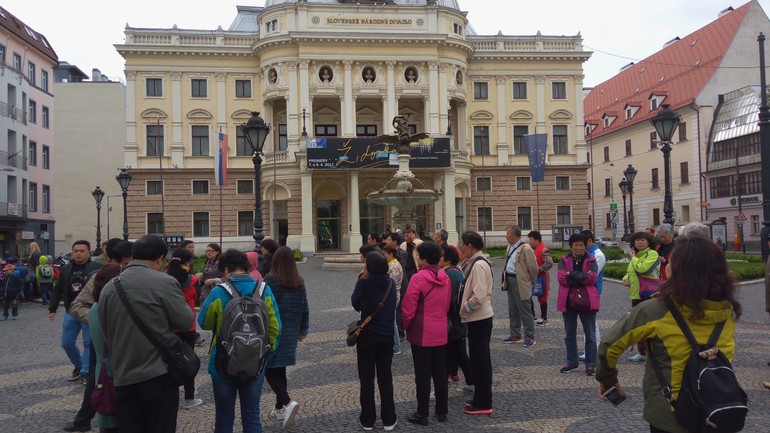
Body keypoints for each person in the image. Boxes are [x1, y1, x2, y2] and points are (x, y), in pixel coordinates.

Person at [597, 236, 742, 433]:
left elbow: (609, 346)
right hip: (719, 407)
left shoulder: (656, 309)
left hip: (671, 412)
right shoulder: (727, 308)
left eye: (672, 261)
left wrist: (608, 380)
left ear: (679, 269)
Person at [99, 235, 195, 433]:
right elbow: (186, 321)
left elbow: (106, 331)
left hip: (123, 374)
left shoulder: (109, 287)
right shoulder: (164, 282)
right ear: (159, 259)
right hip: (158, 372)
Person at [198, 249, 281, 433]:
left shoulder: (218, 292)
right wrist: (267, 354)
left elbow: (204, 322)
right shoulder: (264, 290)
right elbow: (275, 328)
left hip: (222, 361)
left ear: (226, 269)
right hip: (255, 362)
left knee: (224, 418)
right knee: (252, 417)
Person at [65, 239, 132, 433]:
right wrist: (99, 320)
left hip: (129, 342)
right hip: (103, 341)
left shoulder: (140, 277)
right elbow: (77, 305)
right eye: (127, 262)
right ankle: (87, 419)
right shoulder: (103, 275)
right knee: (98, 378)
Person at [402, 242, 451, 426]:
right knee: (440, 372)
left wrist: (406, 326)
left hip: (422, 332)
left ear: (422, 258)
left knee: (422, 375)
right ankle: (442, 410)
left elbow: (408, 308)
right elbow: (447, 304)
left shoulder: (418, 278)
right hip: (440, 330)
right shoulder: (445, 276)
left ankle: (422, 413)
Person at [352, 251, 398, 431]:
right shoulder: (391, 283)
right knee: (385, 377)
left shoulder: (363, 283)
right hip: (386, 335)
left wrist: (361, 279)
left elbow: (355, 304)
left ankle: (367, 420)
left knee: (366, 379)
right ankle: (389, 419)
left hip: (367, 336)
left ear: (369, 267)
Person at [263, 246, 308, 430]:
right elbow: (305, 307)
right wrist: (303, 329)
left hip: (273, 331)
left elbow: (264, 307)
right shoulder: (299, 281)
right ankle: (279, 408)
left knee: (269, 370)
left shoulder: (270, 281)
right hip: (291, 332)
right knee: (280, 369)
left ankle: (288, 403)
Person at [49, 240, 103, 385]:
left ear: (88, 252)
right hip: (71, 311)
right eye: (76, 251)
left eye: (82, 251)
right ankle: (79, 366)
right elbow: (58, 288)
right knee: (67, 343)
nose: (78, 254)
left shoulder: (97, 267)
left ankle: (85, 371)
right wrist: (52, 308)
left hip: (88, 310)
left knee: (88, 342)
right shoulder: (67, 268)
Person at [458, 231, 494, 415]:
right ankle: (479, 397)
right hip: (478, 318)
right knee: (478, 360)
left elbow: (479, 295)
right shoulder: (476, 261)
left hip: (480, 318)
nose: (461, 247)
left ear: (470, 246)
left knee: (481, 362)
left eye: (463, 244)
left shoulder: (479, 264)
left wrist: (465, 308)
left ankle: (484, 402)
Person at [87, 263, 123, 433]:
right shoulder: (109, 307)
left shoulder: (95, 308)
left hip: (102, 375)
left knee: (108, 425)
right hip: (115, 375)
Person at [165, 248, 203, 410]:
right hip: (188, 326)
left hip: (168, 326)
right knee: (188, 361)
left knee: (168, 362)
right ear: (188, 262)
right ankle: (189, 398)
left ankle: (169, 398)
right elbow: (196, 297)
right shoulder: (193, 280)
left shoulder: (164, 277)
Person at [622, 231, 660, 362]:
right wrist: (626, 279)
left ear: (649, 242)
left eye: (643, 240)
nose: (640, 242)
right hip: (636, 294)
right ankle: (642, 352)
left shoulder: (652, 254)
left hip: (649, 294)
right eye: (637, 240)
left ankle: (655, 352)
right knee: (638, 324)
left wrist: (634, 258)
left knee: (651, 324)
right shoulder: (636, 255)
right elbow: (630, 271)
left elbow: (643, 269)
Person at [441, 243, 473, 392]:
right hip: (458, 320)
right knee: (455, 351)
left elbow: (448, 300)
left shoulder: (448, 275)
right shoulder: (456, 271)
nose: (438, 259)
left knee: (458, 353)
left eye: (441, 256)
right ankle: (453, 374)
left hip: (453, 321)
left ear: (447, 260)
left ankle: (471, 382)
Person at [501, 225, 539, 347]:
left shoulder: (526, 248)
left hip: (520, 282)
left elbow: (533, 268)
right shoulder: (510, 246)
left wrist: (529, 281)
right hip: (510, 279)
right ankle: (515, 335)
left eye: (508, 234)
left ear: (514, 235)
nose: (506, 236)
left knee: (525, 310)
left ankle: (530, 337)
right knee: (512, 310)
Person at [579, 230, 605, 362]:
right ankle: (590, 347)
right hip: (585, 290)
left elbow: (590, 275)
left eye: (582, 243)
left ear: (589, 241)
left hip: (592, 291)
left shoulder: (597, 255)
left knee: (591, 322)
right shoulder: (588, 253)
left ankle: (593, 348)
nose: (580, 247)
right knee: (588, 321)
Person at [527, 231, 553, 326]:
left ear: (537, 240)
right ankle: (532, 315)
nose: (529, 241)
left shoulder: (543, 250)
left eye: (531, 239)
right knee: (528, 295)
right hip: (533, 277)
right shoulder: (533, 249)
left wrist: (537, 270)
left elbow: (549, 263)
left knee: (542, 298)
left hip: (542, 277)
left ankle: (544, 318)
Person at [382, 245, 403, 355]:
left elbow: (391, 283)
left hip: (392, 295)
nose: (383, 256)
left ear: (391, 254)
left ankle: (396, 346)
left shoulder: (394, 266)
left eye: (385, 254)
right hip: (392, 294)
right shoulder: (391, 264)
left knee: (392, 321)